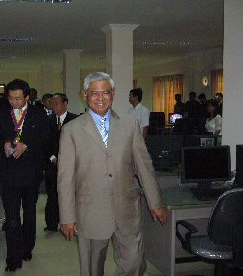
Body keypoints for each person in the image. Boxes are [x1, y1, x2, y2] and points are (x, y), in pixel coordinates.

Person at [58, 72, 167, 276]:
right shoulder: (71, 130)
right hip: (90, 212)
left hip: (127, 209)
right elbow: (65, 178)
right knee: (92, 269)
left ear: (113, 93)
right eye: (94, 93)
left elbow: (144, 166)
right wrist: (67, 216)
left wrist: (156, 202)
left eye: (105, 93)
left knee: (135, 262)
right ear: (85, 95)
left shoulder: (130, 124)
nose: (100, 98)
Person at [0, 79, 50, 272]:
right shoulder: (2, 113)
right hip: (9, 173)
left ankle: (27, 247)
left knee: (30, 213)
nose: (14, 102)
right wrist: (5, 144)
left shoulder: (38, 113)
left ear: (26, 97)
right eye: (11, 98)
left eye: (18, 98)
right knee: (12, 217)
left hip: (31, 173)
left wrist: (27, 145)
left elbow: (46, 138)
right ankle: (13, 258)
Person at [44, 93, 77, 232]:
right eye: (52, 102)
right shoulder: (47, 120)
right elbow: (44, 142)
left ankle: (71, 221)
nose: (54, 105)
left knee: (70, 193)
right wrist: (53, 158)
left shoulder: (75, 120)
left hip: (70, 164)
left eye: (57, 102)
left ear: (65, 104)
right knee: (52, 193)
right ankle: (52, 223)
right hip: (52, 163)